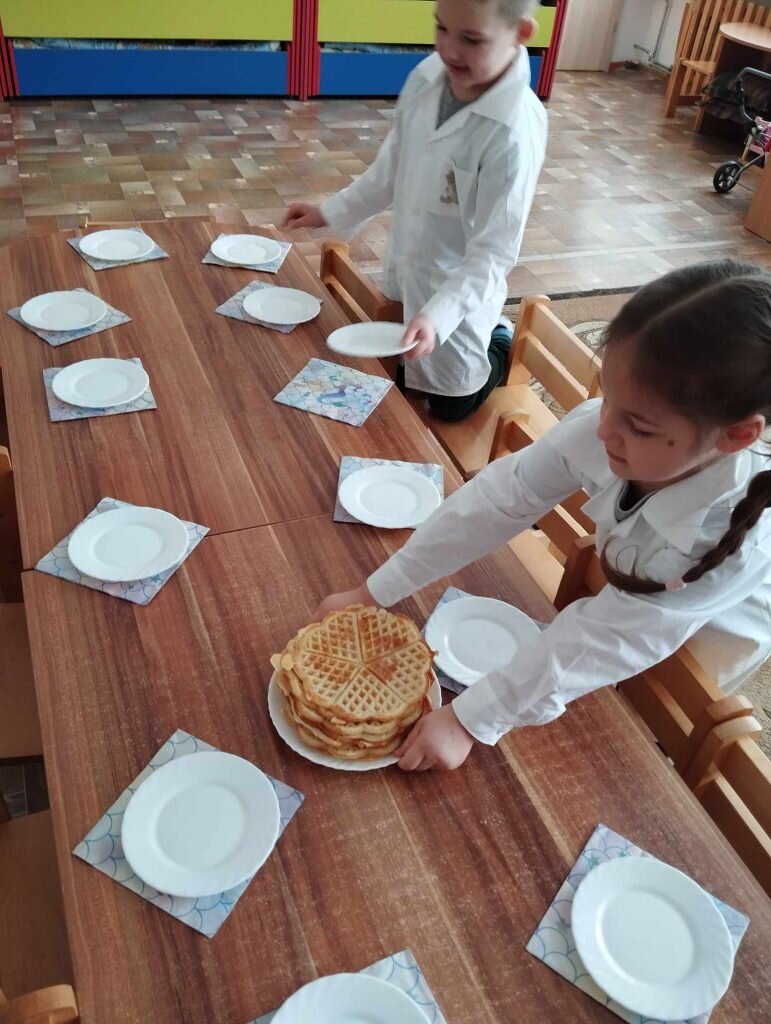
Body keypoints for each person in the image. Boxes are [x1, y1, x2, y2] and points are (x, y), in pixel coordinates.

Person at [313, 261, 771, 770]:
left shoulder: (729, 542)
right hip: (633, 596)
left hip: (711, 636)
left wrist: (471, 718)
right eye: (608, 399)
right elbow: (496, 501)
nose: (604, 430)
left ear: (736, 436)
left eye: (638, 426)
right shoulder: (624, 430)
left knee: (650, 723)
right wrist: (374, 591)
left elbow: (610, 640)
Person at [281, 0, 547, 421]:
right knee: (399, 374)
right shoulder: (425, 78)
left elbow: (493, 253)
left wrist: (440, 315)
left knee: (451, 403)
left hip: (459, 283)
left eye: (471, 39)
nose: (449, 51)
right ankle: (443, 334)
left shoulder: (514, 131)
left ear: (521, 34)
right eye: (441, 28)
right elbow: (388, 173)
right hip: (410, 265)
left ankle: (501, 338)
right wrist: (328, 212)